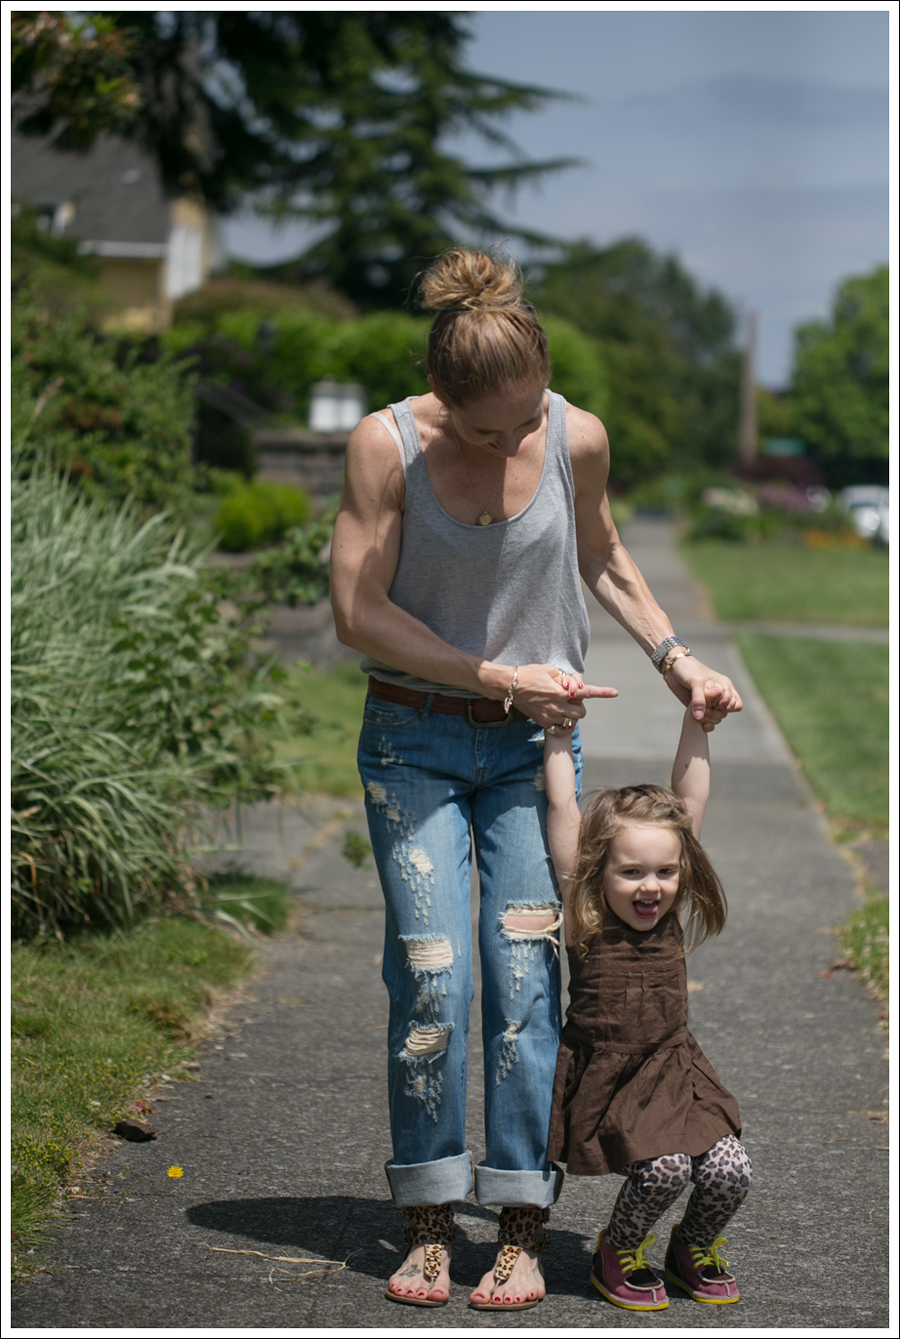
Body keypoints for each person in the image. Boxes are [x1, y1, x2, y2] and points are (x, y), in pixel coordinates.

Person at [329, 247, 743, 1310]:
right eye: (487, 429)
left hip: (533, 752)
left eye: (527, 419)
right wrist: (497, 673)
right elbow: (358, 614)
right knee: (432, 977)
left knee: (526, 989)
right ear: (441, 394)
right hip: (412, 741)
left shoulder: (576, 433)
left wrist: (674, 656)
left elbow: (602, 552)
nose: (514, 440)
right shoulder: (385, 447)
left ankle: (517, 1220)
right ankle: (425, 1215)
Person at [543, 701, 752, 1310]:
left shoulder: (669, 912)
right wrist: (559, 735)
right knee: (665, 1169)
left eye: (665, 871)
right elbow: (562, 811)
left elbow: (691, 804)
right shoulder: (587, 915)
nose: (650, 886)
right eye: (631, 872)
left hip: (674, 1066)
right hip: (612, 1074)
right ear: (597, 870)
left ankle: (690, 1246)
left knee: (729, 1170)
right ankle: (619, 1249)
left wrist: (698, 724)